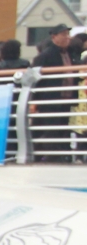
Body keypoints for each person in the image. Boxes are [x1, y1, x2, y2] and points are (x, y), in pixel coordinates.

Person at [32, 24, 77, 162]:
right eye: (63, 34)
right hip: (51, 98)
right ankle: (51, 156)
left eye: (68, 34)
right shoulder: (46, 55)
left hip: (67, 97)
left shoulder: (71, 52)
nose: (67, 37)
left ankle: (64, 155)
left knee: (64, 128)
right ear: (54, 37)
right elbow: (35, 77)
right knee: (51, 128)